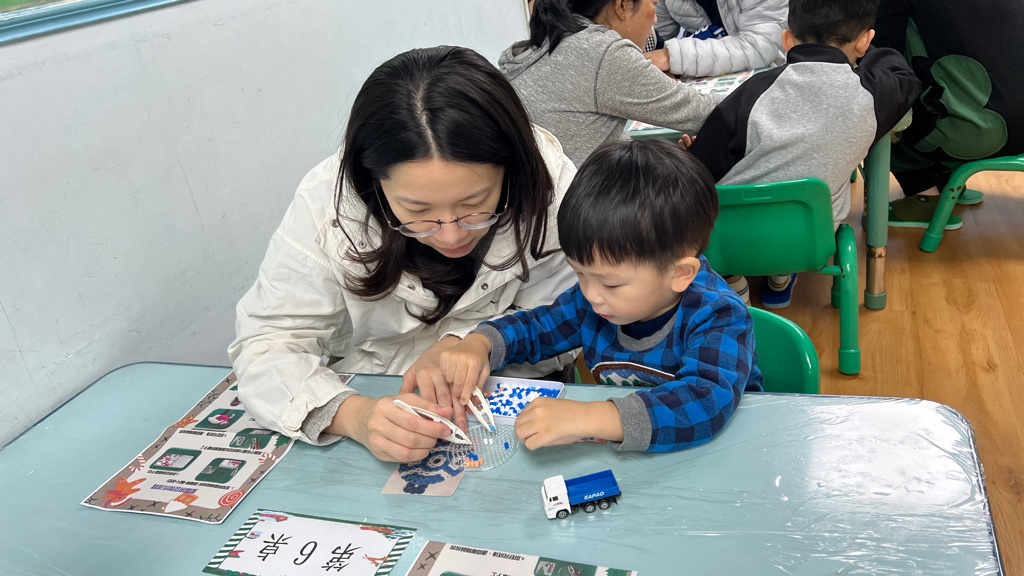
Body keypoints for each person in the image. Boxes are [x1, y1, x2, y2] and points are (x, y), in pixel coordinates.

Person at [228, 46, 580, 463]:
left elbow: (569, 314)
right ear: (373, 183)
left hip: (507, 394)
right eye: (417, 211)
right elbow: (269, 342)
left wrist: (475, 343)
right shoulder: (329, 207)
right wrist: (352, 415)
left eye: (475, 204)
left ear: (511, 169)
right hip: (377, 392)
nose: (451, 234)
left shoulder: (550, 187)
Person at [435, 140, 763, 453]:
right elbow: (537, 328)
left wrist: (589, 417)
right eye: (580, 273)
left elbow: (705, 402)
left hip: (724, 450)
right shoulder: (592, 302)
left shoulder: (717, 315)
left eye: (612, 285)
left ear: (680, 274)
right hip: (636, 455)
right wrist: (481, 342)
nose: (591, 295)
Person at [687, 0, 919, 308]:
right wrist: (863, 48)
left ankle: (731, 283)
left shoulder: (752, 93)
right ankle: (781, 273)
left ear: (786, 39)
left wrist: (688, 156)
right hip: (812, 240)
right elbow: (904, 76)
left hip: (727, 243)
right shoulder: (873, 94)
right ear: (865, 41)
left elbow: (700, 171)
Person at [501, 0, 723, 168]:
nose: (655, 19)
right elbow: (702, 111)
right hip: (588, 207)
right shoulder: (600, 51)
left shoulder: (537, 48)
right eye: (653, 4)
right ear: (622, 6)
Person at [873, 0, 1024, 227]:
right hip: (1011, 130)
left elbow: (881, 55)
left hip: (977, 134)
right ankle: (948, 180)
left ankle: (923, 194)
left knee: (878, 102)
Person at [645, 0, 788, 78]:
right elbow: (654, 39)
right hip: (706, 84)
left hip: (770, 79)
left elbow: (759, 47)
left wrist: (672, 57)